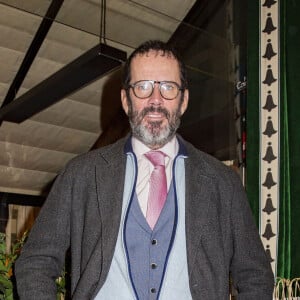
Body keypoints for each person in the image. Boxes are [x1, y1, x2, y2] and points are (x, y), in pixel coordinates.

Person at [15, 40, 274, 299]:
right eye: (143, 87)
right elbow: (36, 261)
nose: (155, 100)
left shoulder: (222, 182)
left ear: (183, 101)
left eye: (168, 87)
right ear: (126, 100)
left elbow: (255, 275)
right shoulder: (81, 174)